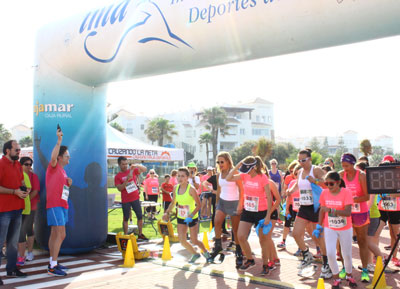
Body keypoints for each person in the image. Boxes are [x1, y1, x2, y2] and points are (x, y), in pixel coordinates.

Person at [287, 149, 332, 279]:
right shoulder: (300, 172)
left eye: (303, 160)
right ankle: (307, 255)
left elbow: (327, 183)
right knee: (296, 233)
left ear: (310, 159)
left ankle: (326, 263)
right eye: (299, 160)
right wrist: (290, 191)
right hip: (304, 207)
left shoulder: (316, 169)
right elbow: (297, 184)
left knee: (318, 237)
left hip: (316, 208)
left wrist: (316, 181)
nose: (301, 162)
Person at [226, 156, 273, 274]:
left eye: (248, 169)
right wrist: (239, 163)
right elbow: (228, 178)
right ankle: (250, 260)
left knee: (263, 240)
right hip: (248, 211)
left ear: (254, 167)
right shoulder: (244, 175)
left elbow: (269, 197)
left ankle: (266, 265)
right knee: (240, 236)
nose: (247, 172)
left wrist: (268, 216)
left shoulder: (263, 178)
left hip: (261, 212)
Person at [317, 171, 357, 289]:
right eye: (326, 184)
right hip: (330, 227)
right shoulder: (324, 193)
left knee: (347, 254)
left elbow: (347, 212)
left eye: (331, 184)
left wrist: (331, 210)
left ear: (338, 182)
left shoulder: (346, 192)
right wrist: (319, 226)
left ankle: (349, 276)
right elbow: (321, 210)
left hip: (345, 228)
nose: (329, 186)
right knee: (330, 253)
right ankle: (336, 278)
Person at [163, 167, 210, 263]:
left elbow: (199, 205)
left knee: (194, 240)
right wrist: (167, 212)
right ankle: (195, 254)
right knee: (182, 240)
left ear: (187, 178)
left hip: (192, 217)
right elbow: (173, 202)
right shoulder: (176, 187)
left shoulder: (191, 189)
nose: (180, 178)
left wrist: (191, 215)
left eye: (182, 176)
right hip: (181, 217)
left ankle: (205, 252)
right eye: (178, 176)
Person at [45, 128, 74, 276]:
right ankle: (52, 267)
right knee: (61, 234)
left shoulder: (62, 171)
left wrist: (67, 183)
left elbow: (61, 188)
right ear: (60, 157)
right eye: (67, 156)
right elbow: (53, 157)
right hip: (55, 205)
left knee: (55, 234)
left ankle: (53, 262)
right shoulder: (53, 166)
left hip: (62, 205)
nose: (69, 158)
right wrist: (59, 141)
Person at [208, 152, 243, 267]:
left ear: (228, 161)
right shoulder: (219, 174)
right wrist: (217, 202)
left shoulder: (235, 173)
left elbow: (242, 189)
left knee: (235, 229)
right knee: (217, 222)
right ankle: (218, 246)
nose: (220, 164)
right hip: (222, 202)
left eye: (222, 162)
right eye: (218, 162)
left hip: (234, 202)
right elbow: (219, 189)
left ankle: (238, 251)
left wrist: (240, 205)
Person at [0, 140, 28, 282]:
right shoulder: (0, 164)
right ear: (7, 150)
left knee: (12, 242)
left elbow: (21, 182)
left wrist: (24, 190)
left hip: (18, 208)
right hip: (3, 210)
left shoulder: (18, 164)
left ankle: (11, 269)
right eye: (16, 149)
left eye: (19, 149)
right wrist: (13, 192)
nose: (19, 151)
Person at [339, 153, 370, 282]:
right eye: (343, 166)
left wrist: (353, 199)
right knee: (341, 240)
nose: (345, 168)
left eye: (347, 166)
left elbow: (367, 197)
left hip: (360, 212)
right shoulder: (341, 175)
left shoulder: (361, 176)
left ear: (352, 164)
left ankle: (365, 269)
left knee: (362, 240)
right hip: (346, 211)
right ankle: (344, 267)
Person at [355, 161, 383, 272]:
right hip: (364, 215)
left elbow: (369, 204)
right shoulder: (363, 184)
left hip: (371, 216)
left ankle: (381, 260)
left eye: (357, 170)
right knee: (363, 241)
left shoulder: (370, 184)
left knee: (368, 241)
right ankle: (369, 264)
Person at [114, 157, 148, 239]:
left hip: (135, 198)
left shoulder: (132, 170)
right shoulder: (118, 176)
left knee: (140, 216)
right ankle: (125, 236)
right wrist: (126, 180)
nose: (125, 166)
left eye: (126, 164)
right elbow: (120, 188)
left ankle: (140, 234)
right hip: (126, 200)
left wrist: (136, 165)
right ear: (119, 164)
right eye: (123, 164)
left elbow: (144, 169)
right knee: (126, 218)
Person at [375, 156, 400, 267]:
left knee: (394, 233)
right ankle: (376, 257)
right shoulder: (378, 179)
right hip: (382, 208)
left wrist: (392, 194)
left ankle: (394, 257)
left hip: (395, 208)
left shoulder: (397, 178)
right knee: (376, 232)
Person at [17, 157, 40, 266]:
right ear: (21, 165)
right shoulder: (19, 174)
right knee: (19, 231)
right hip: (21, 207)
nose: (29, 166)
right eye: (26, 164)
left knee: (28, 229)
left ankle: (30, 252)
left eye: (30, 164)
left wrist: (26, 201)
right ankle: (20, 254)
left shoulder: (33, 176)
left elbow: (34, 191)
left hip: (31, 207)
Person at [278, 164, 301, 250]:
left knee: (299, 228)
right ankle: (283, 241)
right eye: (295, 173)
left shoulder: (306, 184)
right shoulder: (292, 183)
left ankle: (301, 247)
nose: (296, 175)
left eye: (298, 173)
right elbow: (289, 196)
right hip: (292, 206)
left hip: (302, 208)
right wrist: (287, 209)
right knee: (287, 224)